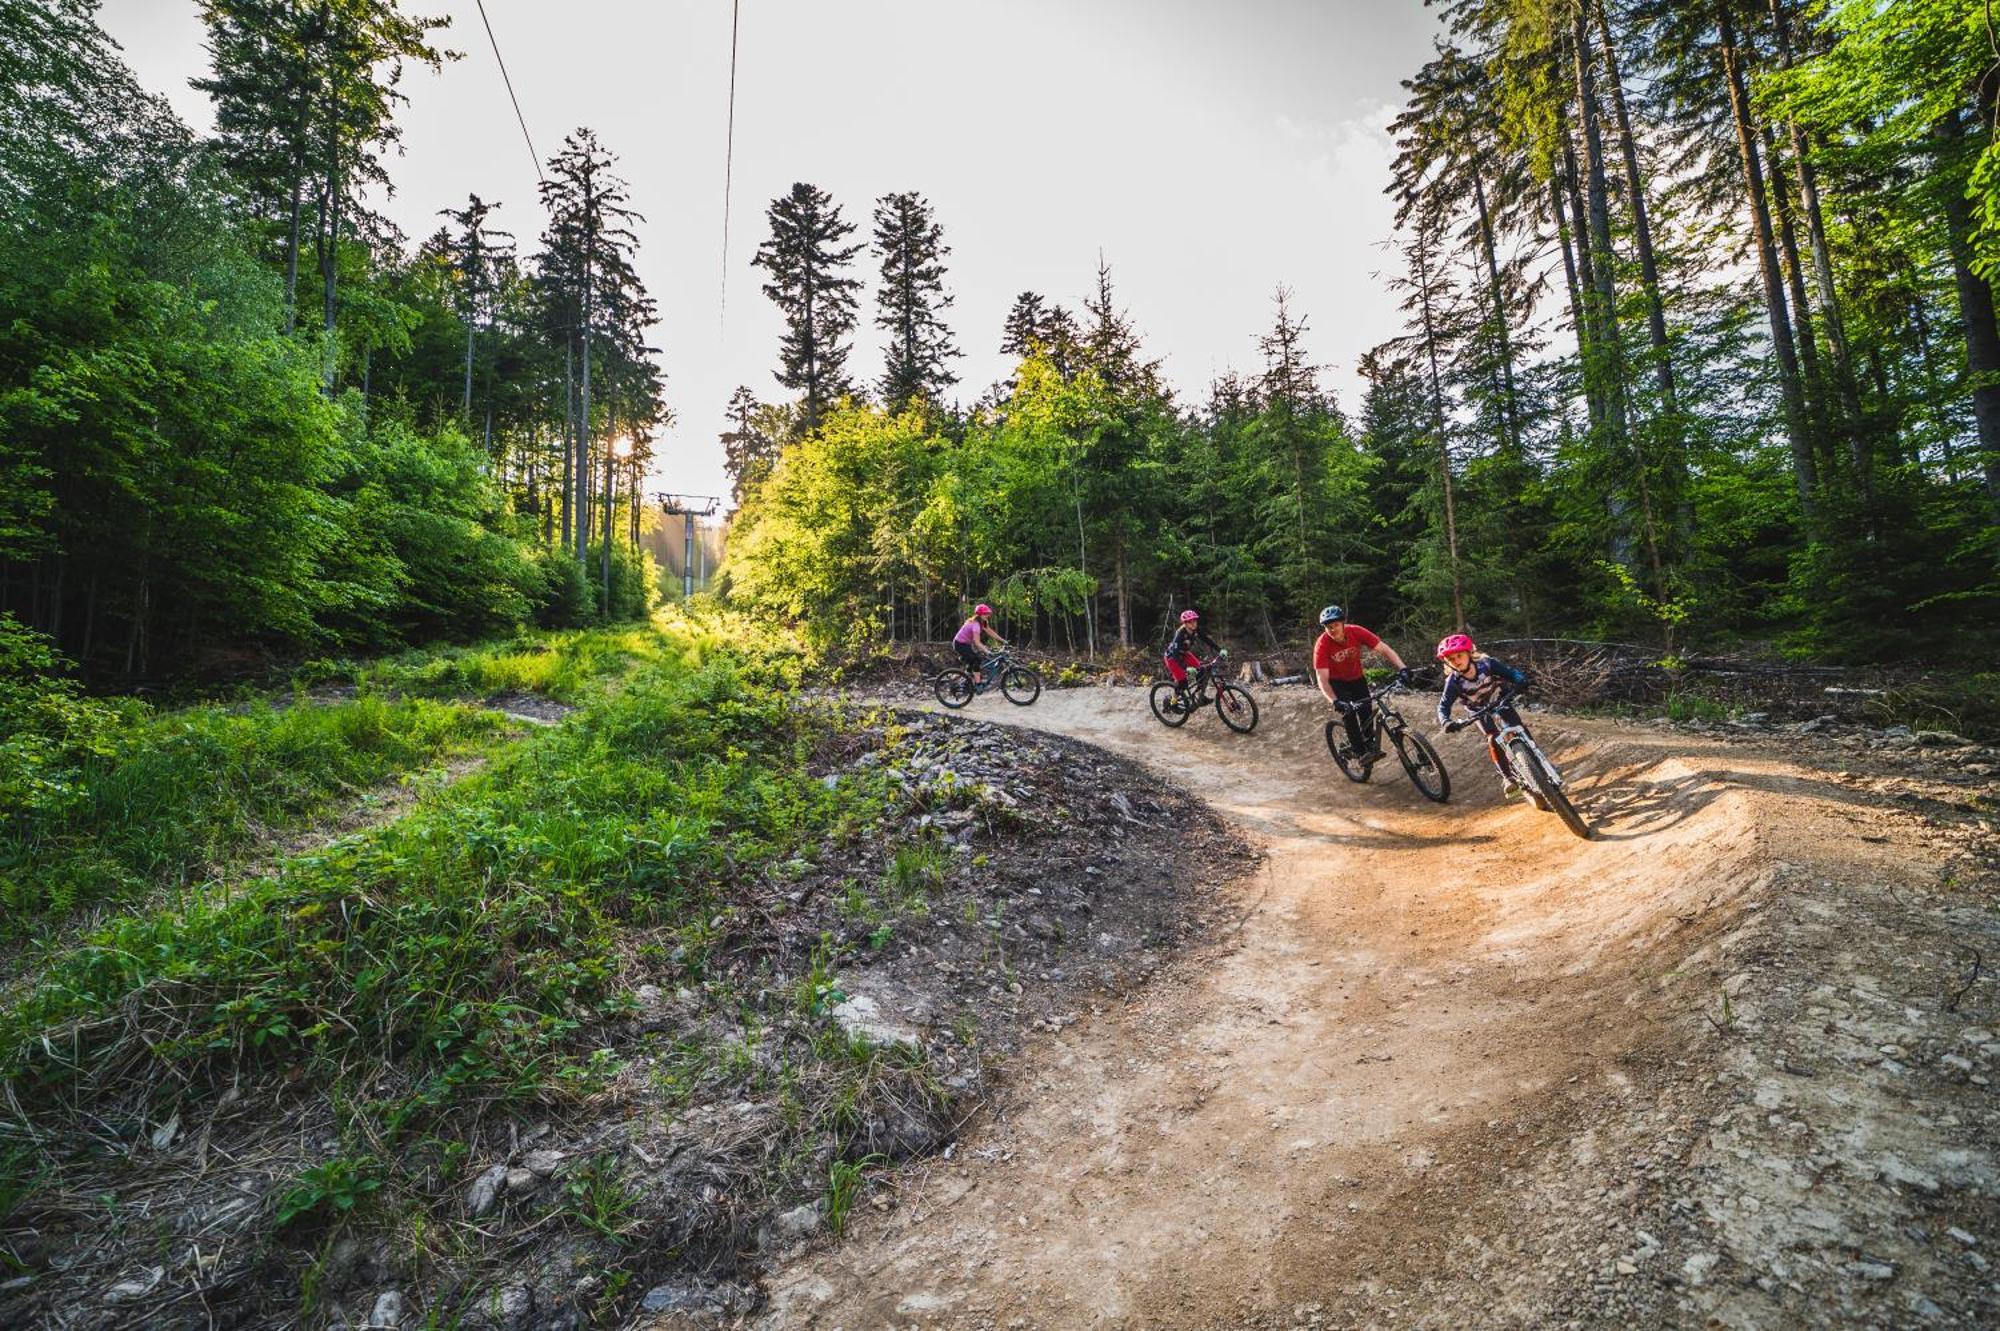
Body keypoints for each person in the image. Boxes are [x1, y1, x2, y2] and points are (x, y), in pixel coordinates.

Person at [1434, 632, 1533, 799]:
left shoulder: (1487, 664)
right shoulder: (1453, 682)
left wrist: (1520, 679)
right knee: (1493, 737)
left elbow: (1510, 672)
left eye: (1459, 655)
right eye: (1451, 659)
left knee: (1518, 727)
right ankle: (1508, 778)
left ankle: (1536, 757)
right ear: (1447, 663)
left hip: (1500, 700)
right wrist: (1446, 721)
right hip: (1478, 710)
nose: (1456, 661)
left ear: (1469, 653)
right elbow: (1443, 705)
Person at [1312, 604, 1410, 763]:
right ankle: (1360, 752)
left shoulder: (1356, 631)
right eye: (1328, 627)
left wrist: (1403, 668)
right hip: (1336, 683)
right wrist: (1335, 701)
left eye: (1336, 625)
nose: (1332, 630)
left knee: (1366, 711)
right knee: (1349, 712)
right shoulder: (1322, 645)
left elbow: (1384, 649)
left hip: (1357, 678)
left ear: (1343, 623)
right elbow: (1322, 679)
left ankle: (1370, 744)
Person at [1163, 609, 1224, 704]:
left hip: (1184, 654)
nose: (1194, 624)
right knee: (1183, 683)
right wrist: (1185, 668)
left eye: (1195, 621)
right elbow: (1175, 654)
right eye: (1190, 622)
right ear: (1185, 624)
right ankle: (1172, 701)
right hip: (1172, 658)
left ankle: (1200, 696)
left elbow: (1207, 640)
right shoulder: (1180, 634)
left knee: (1202, 670)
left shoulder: (1196, 630)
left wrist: (1220, 650)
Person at [953, 603, 1007, 684]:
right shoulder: (975, 625)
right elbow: (977, 642)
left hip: (966, 644)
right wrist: (987, 651)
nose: (987, 615)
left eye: (987, 613)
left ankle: (967, 678)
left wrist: (1003, 640)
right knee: (976, 660)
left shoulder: (983, 622)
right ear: (980, 615)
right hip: (959, 644)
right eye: (985, 614)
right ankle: (978, 683)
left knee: (975, 660)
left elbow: (990, 631)